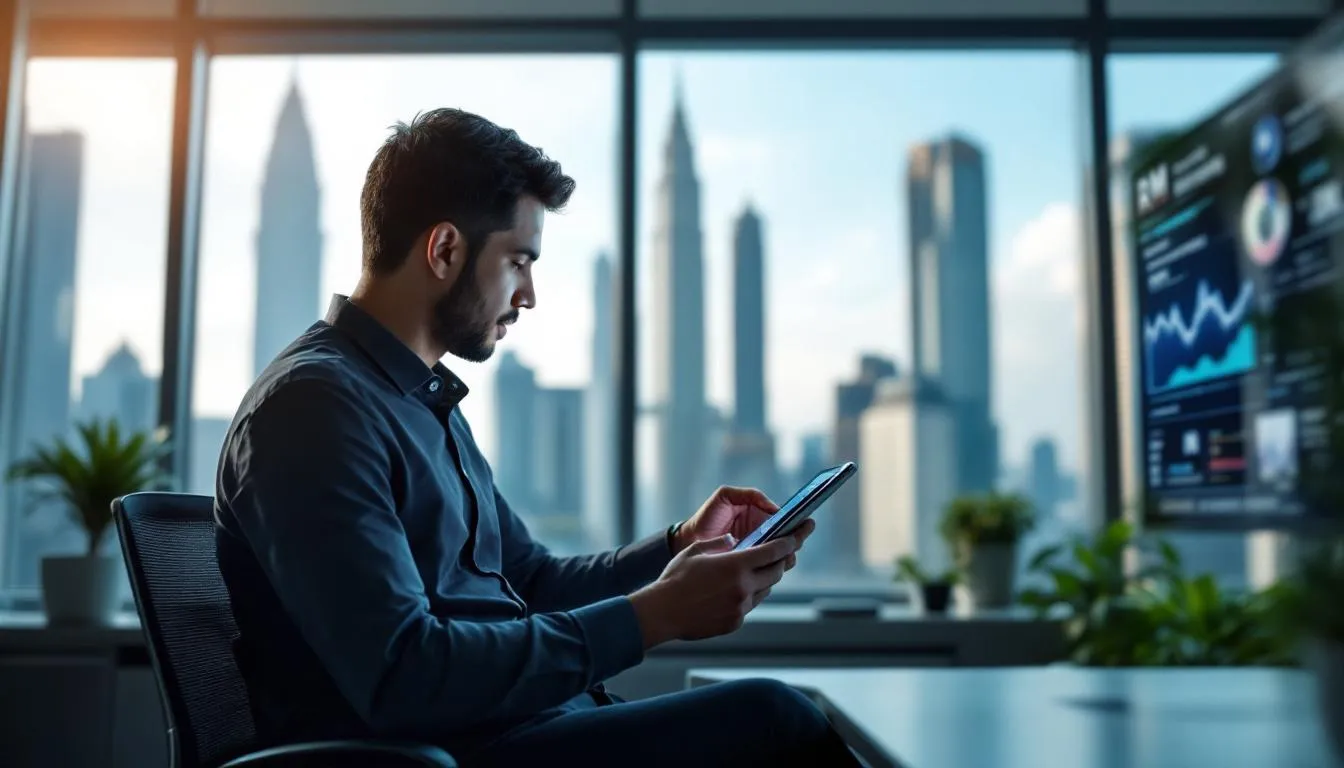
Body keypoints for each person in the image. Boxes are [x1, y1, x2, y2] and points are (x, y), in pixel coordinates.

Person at [214, 107, 862, 767]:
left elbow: (528, 580)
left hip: (520, 730)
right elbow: (403, 673)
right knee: (773, 718)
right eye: (518, 261)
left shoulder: (421, 400)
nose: (528, 295)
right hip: (452, 754)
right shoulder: (313, 409)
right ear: (443, 250)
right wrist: (655, 616)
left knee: (777, 716)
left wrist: (675, 548)